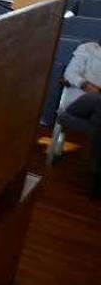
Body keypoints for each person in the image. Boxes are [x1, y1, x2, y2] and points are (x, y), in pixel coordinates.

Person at [59, 41, 101, 199]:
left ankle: (97, 174)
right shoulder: (88, 48)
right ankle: (97, 173)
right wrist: (88, 86)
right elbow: (70, 73)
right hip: (80, 102)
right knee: (98, 100)